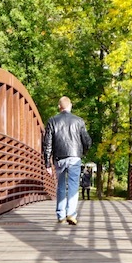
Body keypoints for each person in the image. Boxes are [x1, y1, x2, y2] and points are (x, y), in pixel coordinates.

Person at [41, 96, 92, 225]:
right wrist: (83, 152)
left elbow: (47, 143)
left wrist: (47, 162)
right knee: (74, 185)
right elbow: (87, 141)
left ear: (59, 107)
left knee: (61, 186)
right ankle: (71, 213)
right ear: (71, 106)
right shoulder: (79, 121)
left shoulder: (52, 121)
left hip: (59, 158)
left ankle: (60, 214)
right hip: (75, 157)